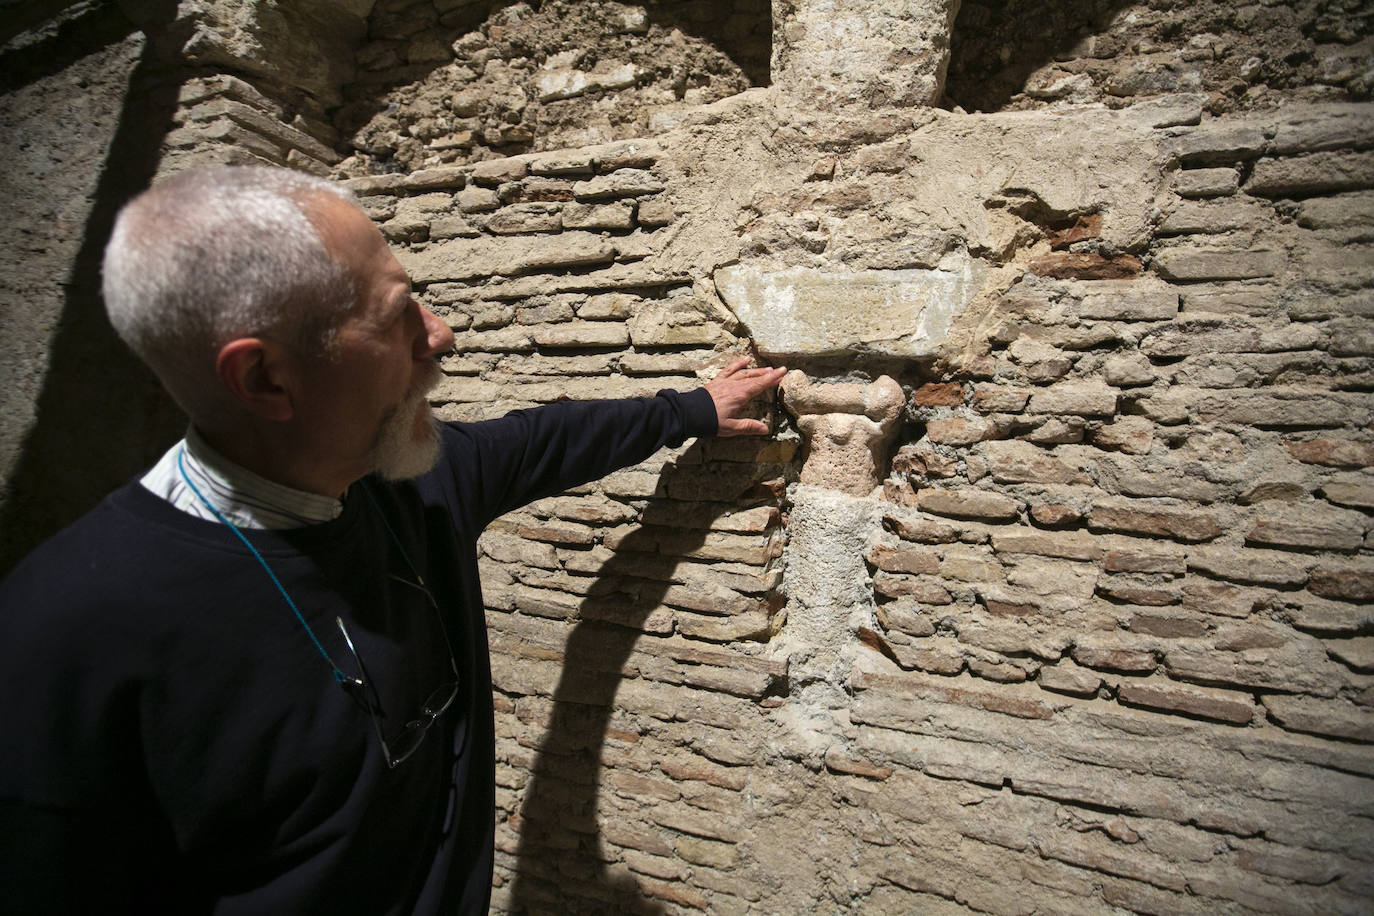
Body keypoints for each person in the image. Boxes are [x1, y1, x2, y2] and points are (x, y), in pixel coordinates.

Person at [0, 166, 785, 914]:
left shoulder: (414, 485)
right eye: (398, 313)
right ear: (267, 379)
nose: (440, 336)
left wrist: (693, 408)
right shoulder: (64, 636)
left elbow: (547, 438)